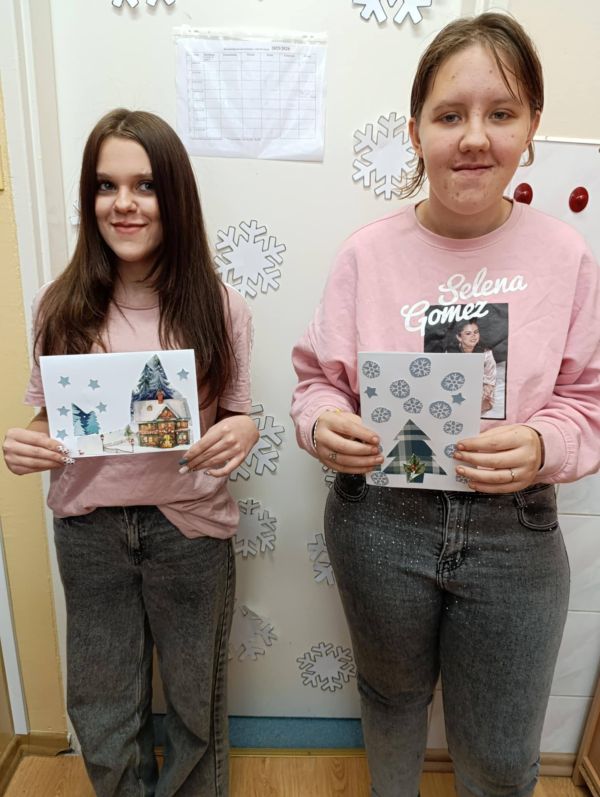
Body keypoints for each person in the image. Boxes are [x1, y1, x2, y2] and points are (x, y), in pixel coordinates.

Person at [291, 13, 600, 797]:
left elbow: (588, 401)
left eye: (501, 113)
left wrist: (544, 443)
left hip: (515, 532)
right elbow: (316, 381)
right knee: (391, 698)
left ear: (531, 126)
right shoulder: (367, 254)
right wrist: (323, 424)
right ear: (416, 131)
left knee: (499, 754)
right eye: (450, 115)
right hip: (381, 521)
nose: (474, 137)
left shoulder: (567, 258)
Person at [3, 109, 258, 797]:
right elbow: (51, 415)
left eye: (145, 185)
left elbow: (237, 412)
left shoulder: (221, 306)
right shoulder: (58, 305)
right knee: (103, 708)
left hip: (189, 531)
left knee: (196, 703)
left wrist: (244, 430)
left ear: (174, 195)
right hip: (90, 531)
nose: (124, 203)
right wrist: (29, 441)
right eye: (105, 185)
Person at [445, 319, 497, 412]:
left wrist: (487, 389)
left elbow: (490, 378)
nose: (474, 336)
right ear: (459, 337)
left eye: (476, 332)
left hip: (478, 387)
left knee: (485, 403)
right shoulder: (450, 353)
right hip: (456, 386)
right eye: (468, 333)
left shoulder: (486, 353)